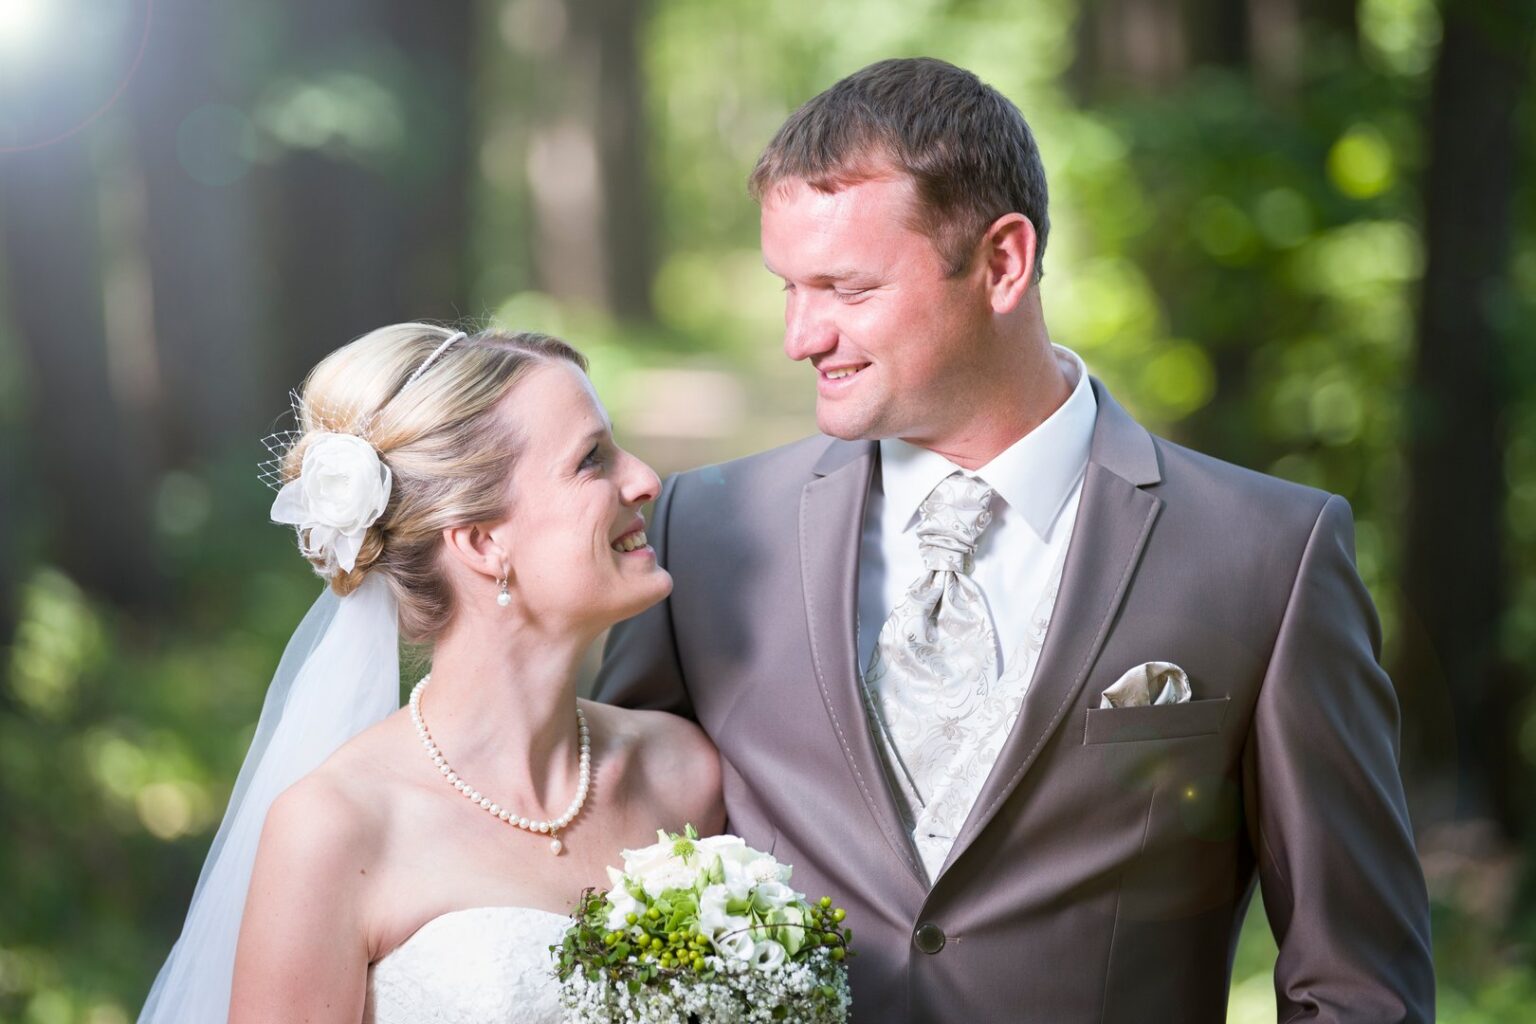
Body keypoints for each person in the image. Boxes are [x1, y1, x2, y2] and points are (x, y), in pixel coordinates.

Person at [595, 57, 1434, 1022]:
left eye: (846, 288)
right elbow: (598, 850)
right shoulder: (707, 531)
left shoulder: (1267, 556)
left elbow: (1361, 985)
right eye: (788, 286)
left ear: (1002, 263)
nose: (800, 336)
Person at [140, 324, 723, 1023]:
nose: (645, 479)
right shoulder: (335, 830)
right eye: (592, 460)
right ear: (482, 542)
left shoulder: (684, 774)